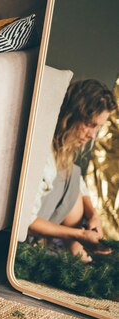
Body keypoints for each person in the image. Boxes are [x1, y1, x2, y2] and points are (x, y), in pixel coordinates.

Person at [28, 79, 117, 261]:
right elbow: (26, 220)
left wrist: (93, 214)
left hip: (55, 227)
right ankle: (76, 252)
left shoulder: (62, 150)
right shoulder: (43, 154)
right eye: (90, 124)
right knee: (70, 174)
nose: (93, 135)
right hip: (28, 232)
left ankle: (78, 254)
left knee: (73, 173)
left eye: (98, 127)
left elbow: (80, 186)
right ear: (73, 115)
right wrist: (78, 235)